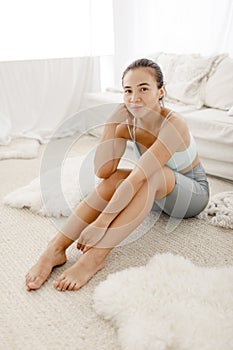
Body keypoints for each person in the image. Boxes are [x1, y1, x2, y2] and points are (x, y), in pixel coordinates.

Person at [25, 58, 209, 292]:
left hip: (191, 195)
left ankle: (95, 258)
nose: (135, 98)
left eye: (144, 89)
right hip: (154, 194)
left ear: (161, 91)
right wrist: (112, 125)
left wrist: (102, 223)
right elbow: (103, 171)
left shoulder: (174, 123)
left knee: (150, 175)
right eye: (128, 91)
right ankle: (55, 249)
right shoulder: (128, 124)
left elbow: (137, 178)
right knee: (114, 180)